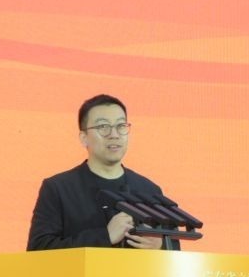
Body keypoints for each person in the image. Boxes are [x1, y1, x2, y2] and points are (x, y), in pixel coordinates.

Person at [27, 94, 179, 250]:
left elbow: (174, 248)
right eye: (103, 127)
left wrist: (160, 247)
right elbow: (38, 249)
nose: (114, 135)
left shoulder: (150, 190)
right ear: (84, 138)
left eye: (121, 126)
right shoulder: (58, 189)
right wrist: (105, 236)